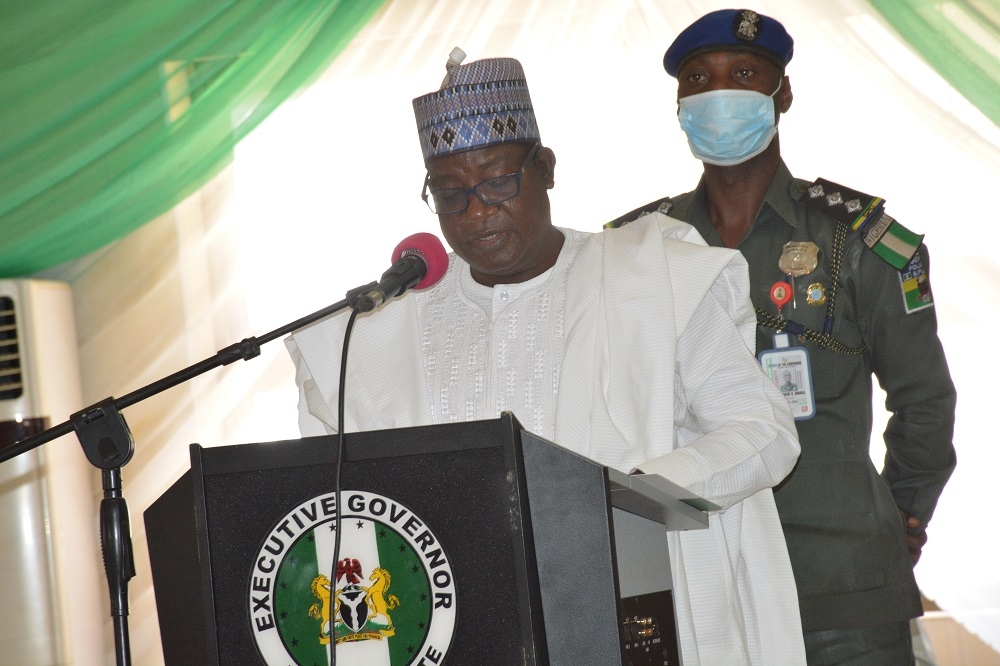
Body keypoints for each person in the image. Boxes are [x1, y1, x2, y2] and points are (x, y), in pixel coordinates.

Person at [286, 50, 806, 664]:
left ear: (547, 168)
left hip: (622, 612)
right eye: (451, 195)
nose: (477, 213)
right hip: (454, 634)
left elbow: (762, 432)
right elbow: (332, 504)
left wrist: (631, 494)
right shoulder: (376, 331)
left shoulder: (652, 276)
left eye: (499, 183)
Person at [608, 9, 957, 664]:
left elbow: (925, 403)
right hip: (702, 584)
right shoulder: (639, 249)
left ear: (782, 93)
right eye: (698, 80)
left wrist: (894, 515)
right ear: (680, 104)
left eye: (742, 74)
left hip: (838, 585)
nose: (718, 95)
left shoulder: (858, 241)